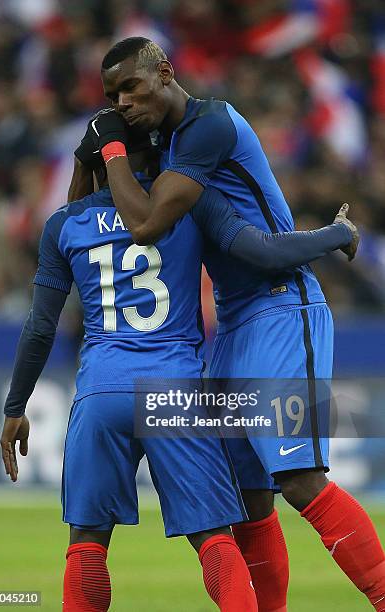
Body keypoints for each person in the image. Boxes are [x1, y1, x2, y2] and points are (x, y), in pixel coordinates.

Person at [0, 122, 357, 611]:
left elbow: (40, 328)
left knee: (86, 547)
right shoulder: (187, 205)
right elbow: (261, 250)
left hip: (101, 393)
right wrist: (334, 235)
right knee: (215, 541)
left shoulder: (64, 224)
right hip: (176, 394)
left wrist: (16, 407)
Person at [82, 36, 385, 612]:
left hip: (282, 308)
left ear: (166, 72)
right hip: (234, 323)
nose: (121, 102)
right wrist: (90, 156)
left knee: (297, 478)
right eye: (111, 95)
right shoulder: (174, 149)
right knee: (246, 498)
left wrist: (114, 154)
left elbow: (146, 225)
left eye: (130, 87)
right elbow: (237, 240)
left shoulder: (210, 126)